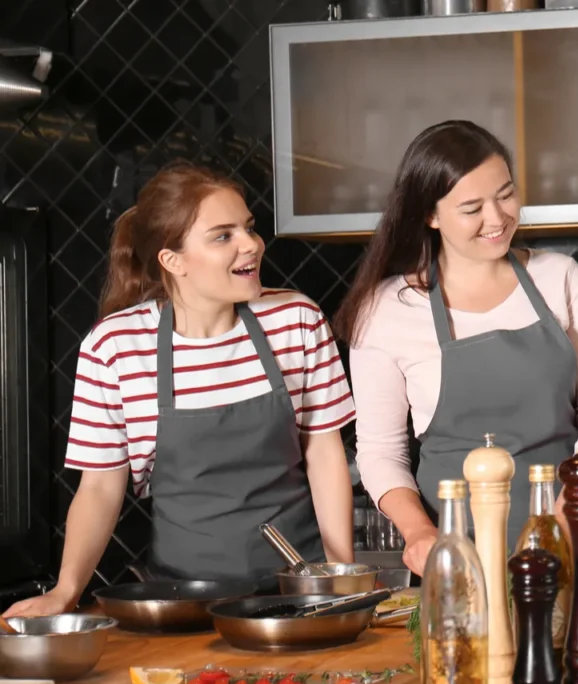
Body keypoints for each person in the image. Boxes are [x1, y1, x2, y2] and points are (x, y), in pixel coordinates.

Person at [5, 162, 356, 617]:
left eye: (248, 228)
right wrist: (66, 591)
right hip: (184, 604)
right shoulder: (116, 347)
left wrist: (340, 573)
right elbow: (99, 487)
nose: (252, 244)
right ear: (173, 261)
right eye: (223, 236)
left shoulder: (296, 320)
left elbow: (323, 454)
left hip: (297, 592)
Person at [333, 120, 578, 574]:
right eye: (472, 208)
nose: (498, 218)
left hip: (572, 545)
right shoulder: (387, 309)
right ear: (430, 216)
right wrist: (419, 532)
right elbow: (380, 451)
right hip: (455, 564)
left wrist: (571, 516)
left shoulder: (560, 278)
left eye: (506, 195)